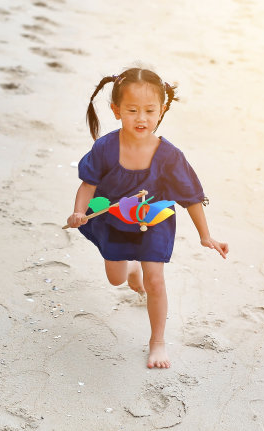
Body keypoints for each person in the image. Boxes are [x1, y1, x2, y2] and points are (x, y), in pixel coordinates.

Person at [66, 67, 229, 369]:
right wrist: (79, 211)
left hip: (153, 219)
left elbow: (191, 197)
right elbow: (88, 185)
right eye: (131, 110)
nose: (141, 118)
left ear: (162, 110)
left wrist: (206, 236)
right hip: (114, 218)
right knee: (116, 279)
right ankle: (130, 271)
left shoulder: (169, 155)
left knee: (155, 280)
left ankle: (157, 341)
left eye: (149, 110)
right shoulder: (105, 147)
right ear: (116, 110)